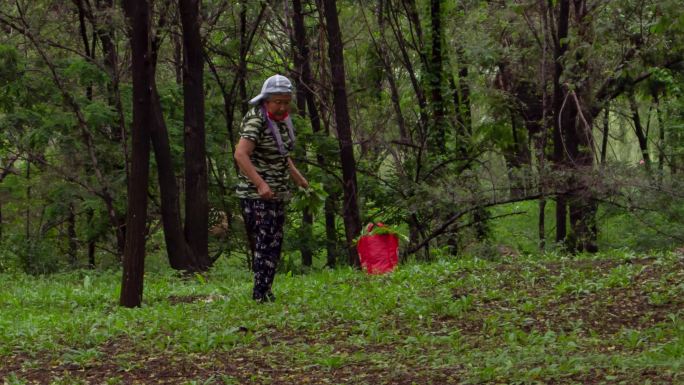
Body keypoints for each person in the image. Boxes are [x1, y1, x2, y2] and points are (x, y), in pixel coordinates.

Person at [234, 74, 309, 303]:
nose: (282, 106)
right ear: (266, 100)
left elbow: (281, 153)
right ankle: (260, 294)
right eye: (277, 102)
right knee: (265, 242)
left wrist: (297, 177)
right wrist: (260, 184)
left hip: (277, 191)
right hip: (255, 194)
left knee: (274, 243)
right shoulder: (256, 120)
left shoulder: (282, 121)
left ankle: (266, 290)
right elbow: (240, 154)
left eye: (286, 102)